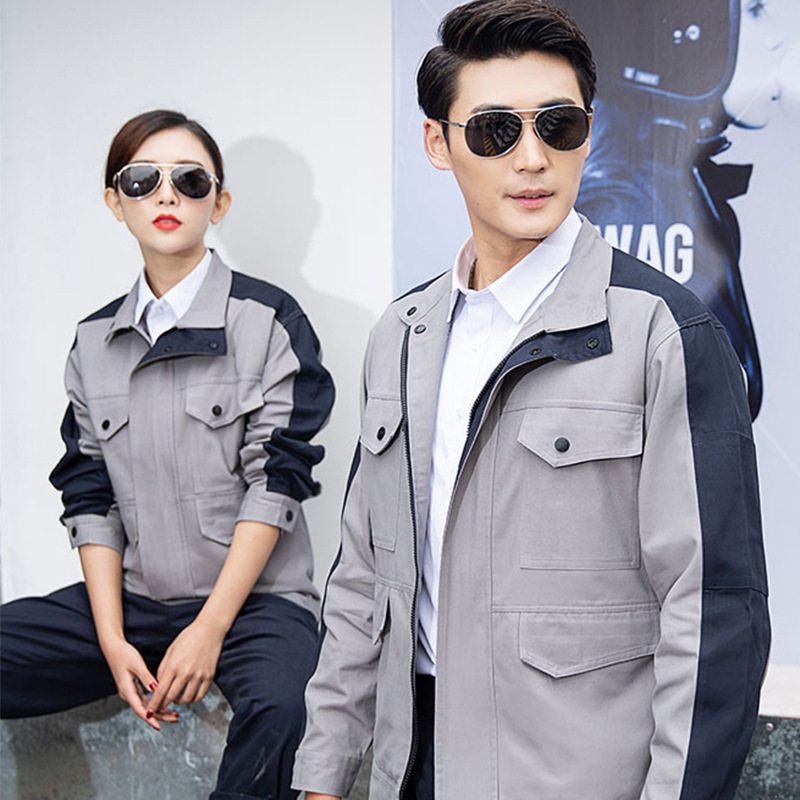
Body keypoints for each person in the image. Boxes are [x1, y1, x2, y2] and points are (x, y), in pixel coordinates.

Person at [291, 2, 769, 799]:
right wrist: (324, 777)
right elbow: (364, 582)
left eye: (559, 126)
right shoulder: (401, 336)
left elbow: (714, 610)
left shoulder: (663, 332)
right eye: (494, 132)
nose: (533, 158)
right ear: (437, 143)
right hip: (411, 768)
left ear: (590, 131)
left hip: (576, 778)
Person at [0, 109, 335, 800]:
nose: (166, 194)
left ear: (220, 202)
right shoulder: (93, 341)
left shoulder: (270, 320)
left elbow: (276, 482)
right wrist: (112, 639)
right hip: (137, 600)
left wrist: (209, 629)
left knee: (285, 708)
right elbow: (90, 494)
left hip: (257, 604)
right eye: (141, 179)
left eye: (190, 179)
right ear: (114, 201)